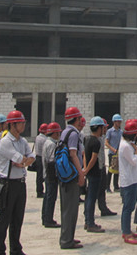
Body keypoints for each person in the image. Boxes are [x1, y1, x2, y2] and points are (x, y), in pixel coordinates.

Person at [0, 110, 35, 255]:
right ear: (13, 125)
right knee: (4, 219)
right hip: (8, 184)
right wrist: (24, 161)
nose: (23, 125)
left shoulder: (22, 141)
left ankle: (16, 249)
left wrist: (23, 163)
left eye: (24, 122)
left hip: (21, 183)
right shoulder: (5, 142)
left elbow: (31, 157)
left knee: (17, 218)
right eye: (21, 123)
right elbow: (20, 158)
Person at [59, 107, 86, 250]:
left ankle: (68, 236)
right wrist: (81, 174)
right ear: (76, 119)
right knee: (71, 209)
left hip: (65, 174)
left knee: (67, 208)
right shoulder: (74, 134)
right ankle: (66, 241)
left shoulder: (65, 132)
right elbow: (73, 154)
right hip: (72, 175)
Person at [118, 120, 137, 245]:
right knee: (128, 207)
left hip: (130, 179)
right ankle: (126, 232)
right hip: (129, 180)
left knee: (129, 207)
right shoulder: (126, 147)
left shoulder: (126, 144)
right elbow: (133, 161)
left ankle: (126, 230)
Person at [83, 116, 106, 233]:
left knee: (89, 198)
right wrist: (87, 169)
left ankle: (87, 221)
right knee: (92, 198)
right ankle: (91, 223)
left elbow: (84, 155)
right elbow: (93, 159)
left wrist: (85, 169)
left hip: (89, 173)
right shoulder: (96, 142)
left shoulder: (87, 139)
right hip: (95, 173)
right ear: (99, 128)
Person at [41, 122, 61, 228]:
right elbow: (52, 161)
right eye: (58, 133)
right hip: (51, 174)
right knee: (51, 197)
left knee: (47, 196)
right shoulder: (52, 144)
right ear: (54, 133)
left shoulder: (47, 142)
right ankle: (48, 219)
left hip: (47, 173)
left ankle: (45, 217)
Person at [96, 119, 116, 217]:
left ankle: (103, 208)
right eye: (104, 128)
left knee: (101, 190)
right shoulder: (95, 140)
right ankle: (88, 213)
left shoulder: (101, 138)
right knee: (93, 192)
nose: (106, 130)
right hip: (97, 168)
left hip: (102, 166)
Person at [105, 114, 123, 192]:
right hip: (112, 153)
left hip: (118, 153)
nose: (119, 123)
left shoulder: (121, 132)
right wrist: (113, 149)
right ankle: (107, 186)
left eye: (120, 122)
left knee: (117, 170)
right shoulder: (110, 131)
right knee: (111, 170)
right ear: (114, 122)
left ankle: (116, 186)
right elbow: (106, 143)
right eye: (118, 121)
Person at [35, 123, 48, 198]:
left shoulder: (38, 137)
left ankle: (39, 190)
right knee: (41, 175)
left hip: (38, 157)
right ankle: (40, 192)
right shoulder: (44, 139)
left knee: (39, 176)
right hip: (41, 157)